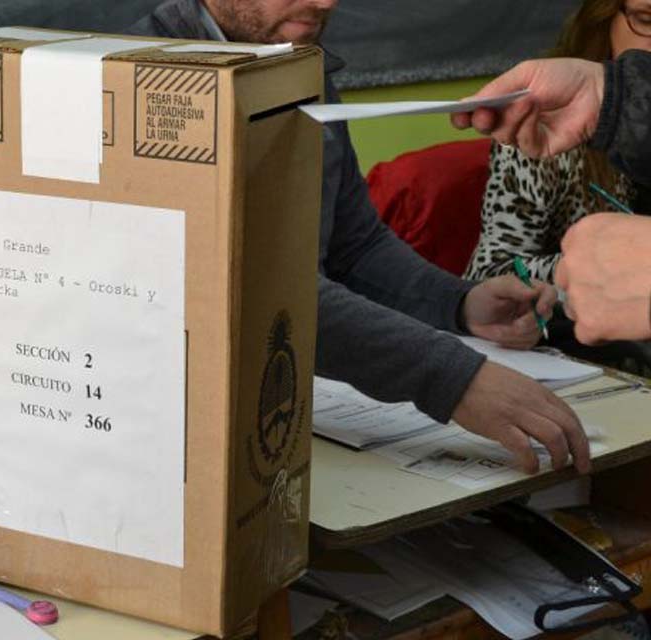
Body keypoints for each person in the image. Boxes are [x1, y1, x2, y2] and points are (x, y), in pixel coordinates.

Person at [116, 0, 589, 474]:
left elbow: (354, 245)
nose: (327, 2)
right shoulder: (152, 87)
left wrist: (459, 303)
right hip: (171, 434)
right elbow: (245, 286)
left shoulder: (294, 60)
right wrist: (451, 377)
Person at [463, 0, 651, 375]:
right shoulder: (548, 120)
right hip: (597, 365)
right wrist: (583, 270)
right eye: (646, 20)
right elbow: (489, 271)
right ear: (602, 18)